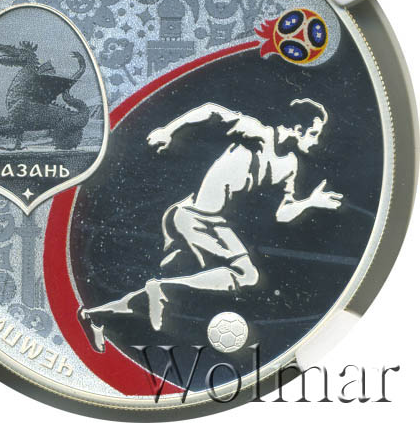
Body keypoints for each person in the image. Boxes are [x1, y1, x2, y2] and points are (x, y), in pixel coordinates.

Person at [78, 98, 343, 352]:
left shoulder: (289, 165)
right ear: (297, 128)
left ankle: (95, 316)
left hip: (214, 225)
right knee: (243, 276)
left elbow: (282, 214)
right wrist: (168, 131)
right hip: (192, 216)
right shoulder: (256, 132)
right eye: (314, 133)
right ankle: (160, 290)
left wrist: (309, 203)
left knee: (209, 284)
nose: (317, 141)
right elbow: (211, 111)